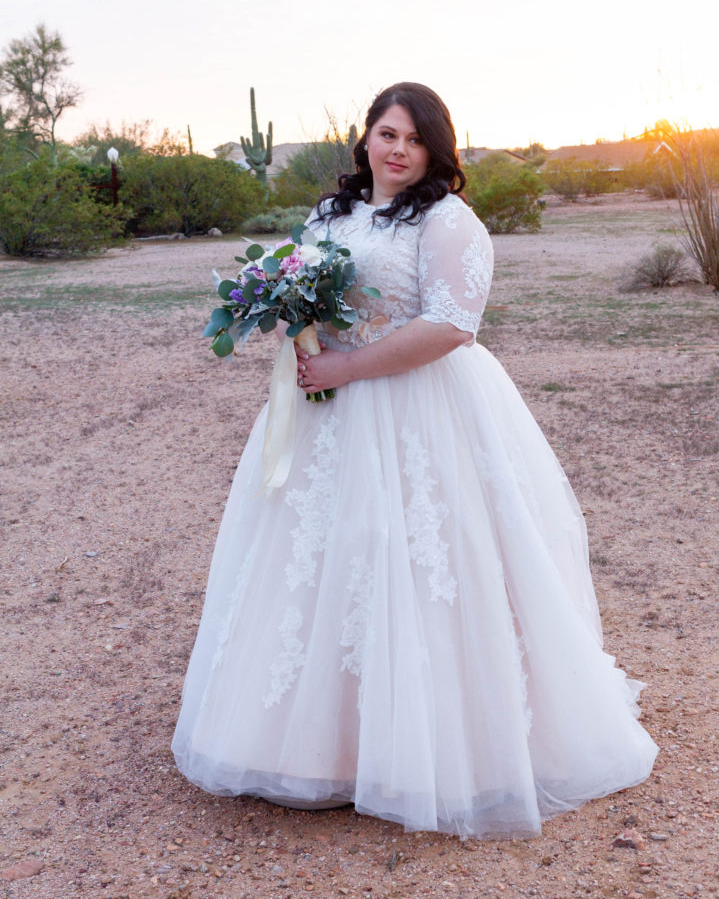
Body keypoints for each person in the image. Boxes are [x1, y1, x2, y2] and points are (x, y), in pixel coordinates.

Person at [172, 82, 657, 838]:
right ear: (364, 137)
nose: (397, 150)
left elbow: (451, 326)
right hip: (326, 415)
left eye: (414, 139)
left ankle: (441, 744)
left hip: (421, 407)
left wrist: (348, 368)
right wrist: (295, 330)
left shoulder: (447, 220)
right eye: (386, 133)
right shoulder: (330, 214)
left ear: (434, 150)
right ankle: (320, 746)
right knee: (323, 557)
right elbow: (308, 295)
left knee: (421, 557)